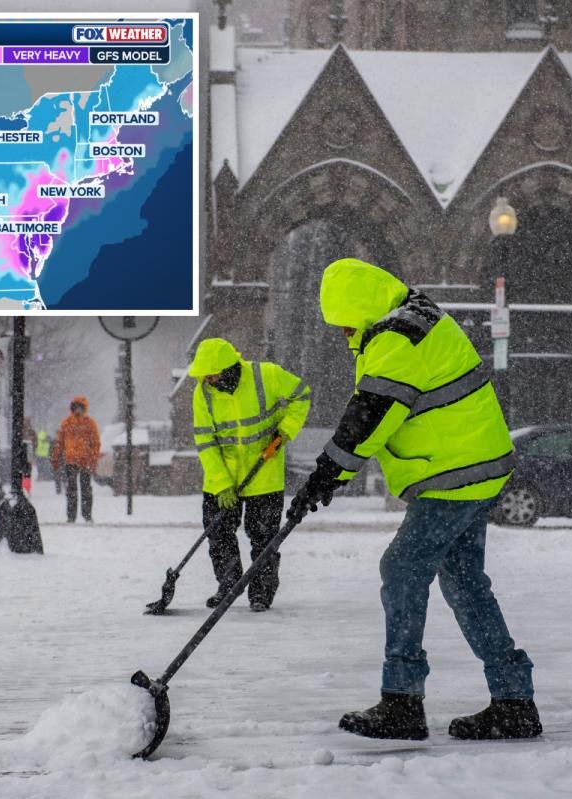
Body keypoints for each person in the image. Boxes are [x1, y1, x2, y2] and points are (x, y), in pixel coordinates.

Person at [288, 258, 539, 741]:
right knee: (465, 582)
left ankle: (402, 700)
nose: (341, 333)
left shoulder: (397, 337)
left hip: (453, 472)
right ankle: (514, 700)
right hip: (471, 466)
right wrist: (329, 474)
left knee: (402, 568)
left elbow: (372, 410)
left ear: (358, 308)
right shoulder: (412, 318)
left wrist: (326, 473)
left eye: (342, 322)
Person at [189, 337, 310, 612]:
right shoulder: (203, 393)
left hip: (263, 473)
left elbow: (301, 395)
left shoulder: (265, 375)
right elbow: (206, 442)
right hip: (222, 478)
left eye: (213, 373)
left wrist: (284, 431)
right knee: (219, 533)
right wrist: (221, 484)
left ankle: (261, 593)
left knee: (263, 537)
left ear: (229, 367)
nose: (209, 379)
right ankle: (229, 585)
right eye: (205, 374)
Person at [52, 396, 100, 523]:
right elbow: (59, 442)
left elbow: (95, 443)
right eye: (76, 407)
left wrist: (93, 459)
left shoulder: (88, 423)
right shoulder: (67, 423)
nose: (78, 410)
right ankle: (72, 516)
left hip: (84, 460)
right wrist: (56, 457)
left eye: (80, 407)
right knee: (72, 489)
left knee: (85, 489)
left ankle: (86, 515)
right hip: (71, 460)